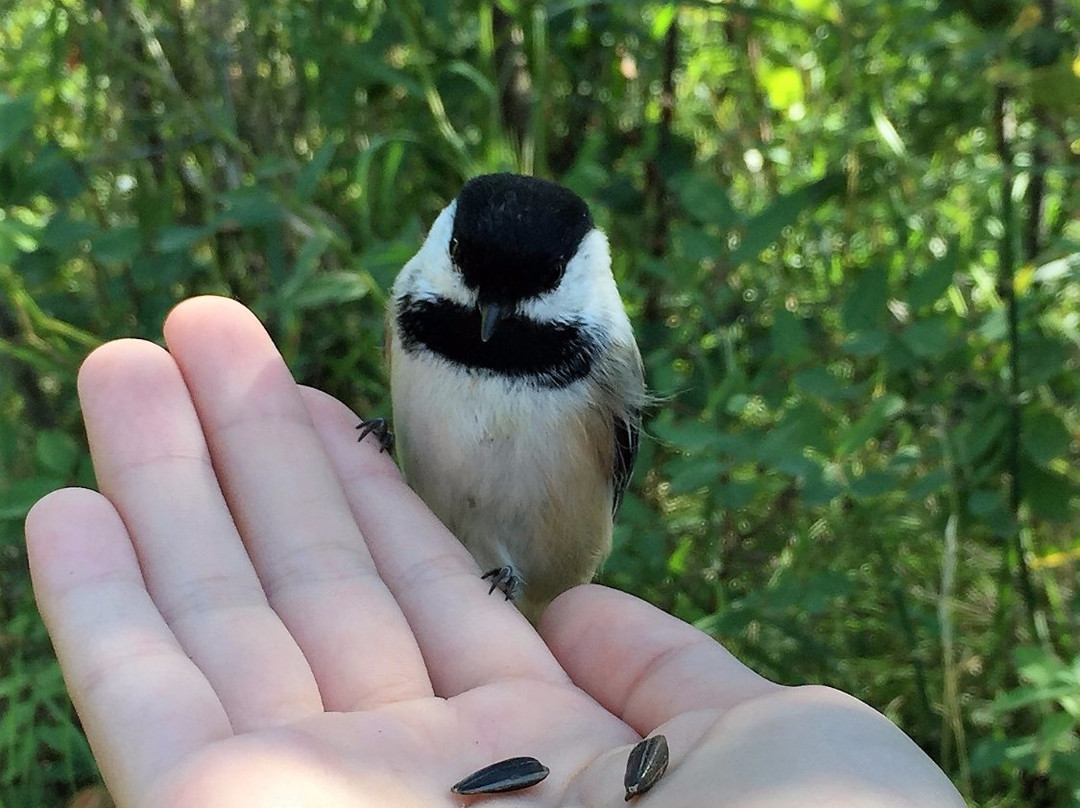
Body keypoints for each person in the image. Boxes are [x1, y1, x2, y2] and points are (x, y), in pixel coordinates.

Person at [25, 296, 966, 807]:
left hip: (521, 574)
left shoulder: (603, 351)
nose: (488, 311)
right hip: (404, 557)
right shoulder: (414, 299)